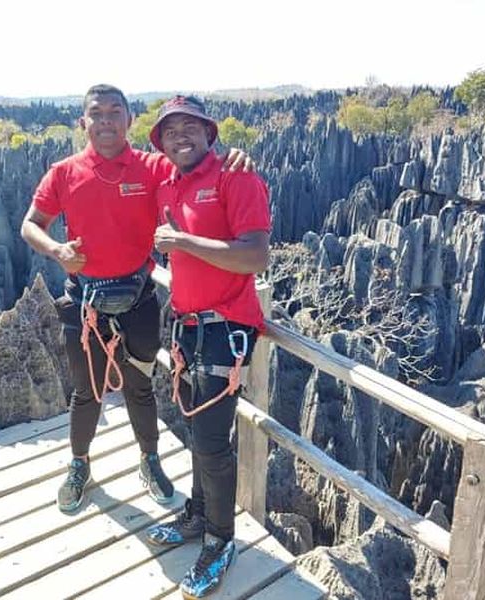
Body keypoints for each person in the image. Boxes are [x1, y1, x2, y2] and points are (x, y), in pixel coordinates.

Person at [20, 85, 252, 514]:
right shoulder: (64, 172)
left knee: (140, 386)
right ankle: (80, 465)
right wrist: (56, 251)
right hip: (85, 302)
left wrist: (235, 159)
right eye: (96, 113)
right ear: (83, 122)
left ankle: (149, 460)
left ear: (129, 120)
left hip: (140, 300)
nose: (106, 120)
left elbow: (198, 162)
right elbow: (30, 225)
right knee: (86, 392)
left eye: (115, 112)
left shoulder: (154, 167)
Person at [144, 95, 270, 599]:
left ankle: (221, 539)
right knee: (197, 431)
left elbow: (255, 256)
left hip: (226, 330)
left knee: (213, 442)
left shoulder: (235, 178)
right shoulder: (169, 182)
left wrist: (184, 243)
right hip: (190, 326)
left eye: (190, 127)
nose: (180, 136)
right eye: (170, 130)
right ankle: (198, 514)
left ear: (209, 133)